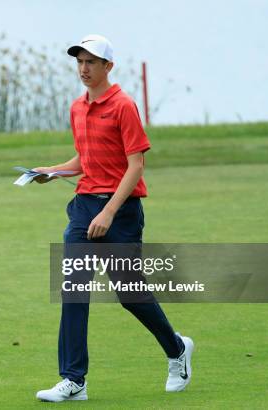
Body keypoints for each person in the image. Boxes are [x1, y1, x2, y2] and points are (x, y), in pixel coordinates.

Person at [33, 34, 194, 403]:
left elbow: (136, 165)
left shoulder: (123, 105)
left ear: (108, 66)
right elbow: (83, 160)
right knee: (73, 289)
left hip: (119, 213)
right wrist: (52, 172)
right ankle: (74, 380)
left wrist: (109, 211)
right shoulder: (77, 107)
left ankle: (176, 349)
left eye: (91, 62)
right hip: (84, 207)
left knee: (130, 295)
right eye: (79, 62)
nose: (84, 69)